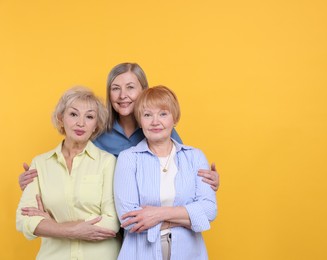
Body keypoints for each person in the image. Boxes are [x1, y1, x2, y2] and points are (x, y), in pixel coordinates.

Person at [19, 63, 220, 191]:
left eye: (130, 87)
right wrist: (37, 182)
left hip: (148, 222)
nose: (123, 95)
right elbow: (71, 170)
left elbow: (181, 171)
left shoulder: (160, 129)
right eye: (115, 89)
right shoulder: (95, 131)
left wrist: (208, 181)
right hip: (107, 226)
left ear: (144, 90)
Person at [16, 87, 121, 259]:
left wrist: (51, 225)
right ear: (61, 118)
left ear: (96, 125)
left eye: (89, 117)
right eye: (73, 114)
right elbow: (24, 220)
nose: (81, 123)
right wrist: (73, 230)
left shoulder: (108, 162)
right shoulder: (40, 163)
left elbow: (111, 222)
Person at [114, 86, 217, 260]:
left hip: (189, 253)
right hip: (140, 254)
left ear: (174, 119)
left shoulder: (194, 157)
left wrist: (157, 214)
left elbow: (208, 211)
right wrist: (190, 218)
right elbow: (129, 221)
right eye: (147, 115)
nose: (155, 122)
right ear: (140, 120)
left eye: (163, 114)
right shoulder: (128, 158)